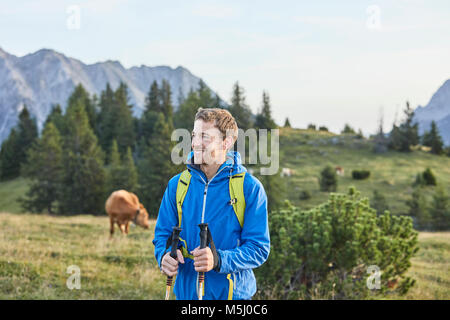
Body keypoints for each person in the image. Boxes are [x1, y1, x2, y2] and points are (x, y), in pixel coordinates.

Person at [153, 107, 270, 300]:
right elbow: (162, 235)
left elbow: (258, 248)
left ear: (227, 142)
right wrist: (163, 256)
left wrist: (219, 259)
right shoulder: (177, 185)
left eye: (205, 136)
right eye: (194, 135)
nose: (195, 143)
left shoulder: (249, 188)